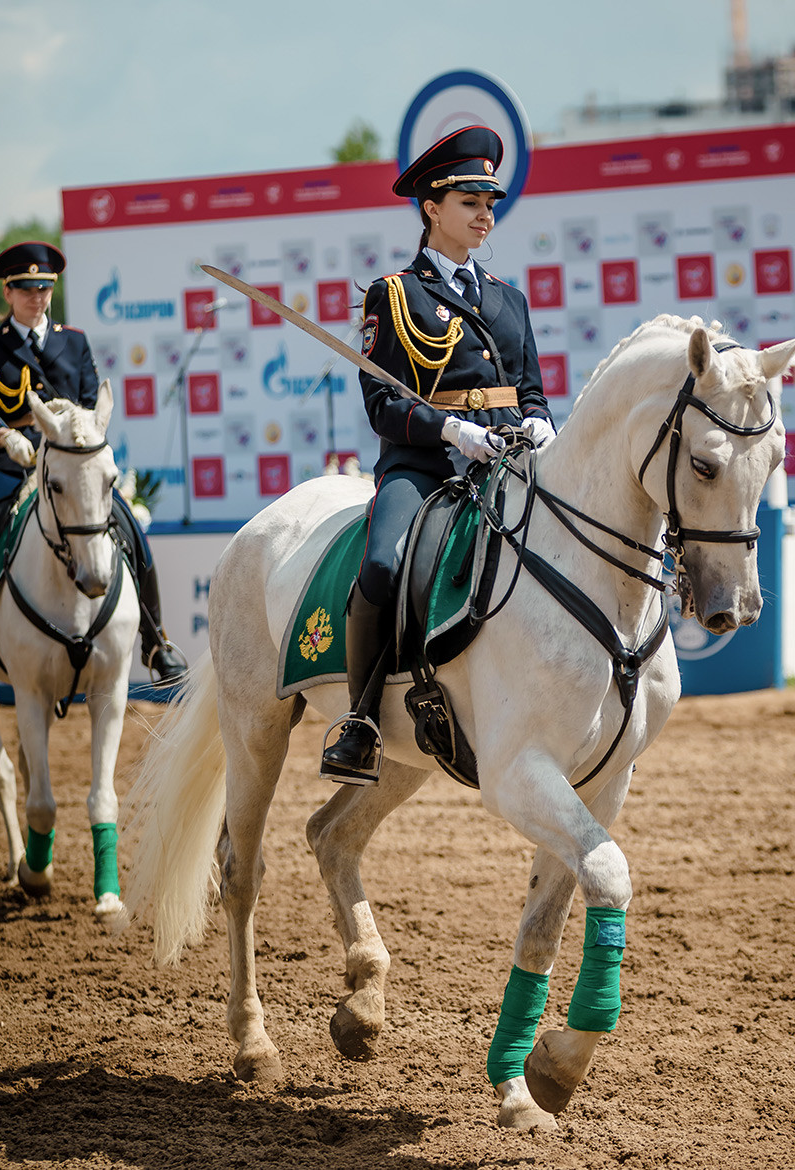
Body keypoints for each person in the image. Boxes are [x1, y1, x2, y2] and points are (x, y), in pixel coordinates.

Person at [322, 126, 556, 779]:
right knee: (382, 568)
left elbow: (531, 388)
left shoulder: (508, 298)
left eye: (490, 202)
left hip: (511, 461)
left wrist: (539, 425)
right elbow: (382, 406)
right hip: (425, 467)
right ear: (431, 207)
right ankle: (362, 720)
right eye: (470, 201)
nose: (487, 214)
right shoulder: (395, 295)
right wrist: (453, 432)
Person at [0, 240, 187, 687]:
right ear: (8, 293)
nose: (37, 297)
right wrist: (5, 436)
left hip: (70, 466)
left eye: (44, 287)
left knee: (129, 528)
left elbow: (89, 406)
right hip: (12, 467)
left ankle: (155, 639)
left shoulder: (74, 341)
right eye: (27, 288)